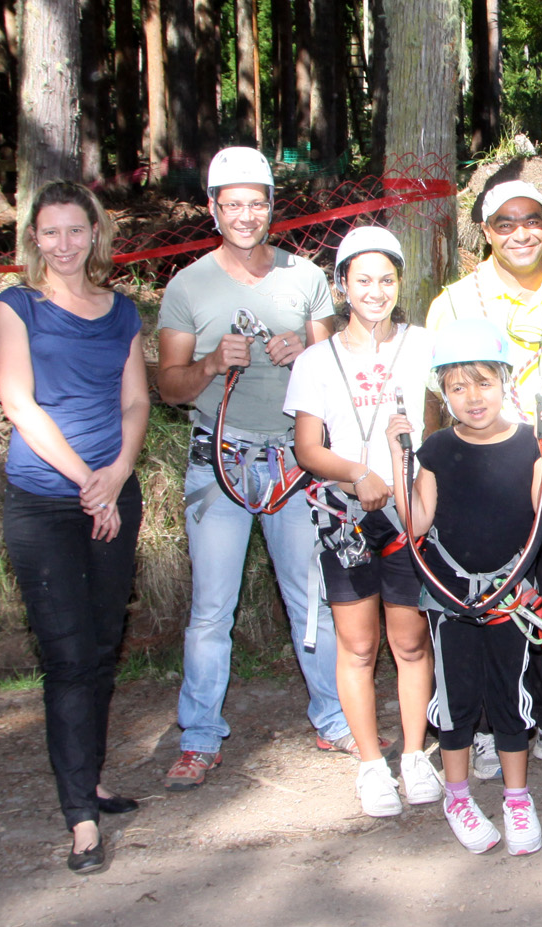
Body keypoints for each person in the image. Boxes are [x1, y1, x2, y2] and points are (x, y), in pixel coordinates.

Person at [157, 147, 357, 791]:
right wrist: (213, 363)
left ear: (273, 206)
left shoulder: (306, 279)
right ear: (213, 209)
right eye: (233, 203)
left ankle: (334, 718)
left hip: (295, 459)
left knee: (315, 603)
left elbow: (340, 366)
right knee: (212, 608)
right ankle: (199, 735)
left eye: (258, 202)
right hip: (220, 459)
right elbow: (170, 387)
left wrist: (308, 347)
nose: (246, 215)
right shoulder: (189, 287)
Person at [426, 169, 542, 776]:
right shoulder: (454, 301)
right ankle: (483, 724)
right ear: (485, 231)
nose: (520, 232)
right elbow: (439, 398)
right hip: (483, 478)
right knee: (481, 605)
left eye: (532, 219)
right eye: (505, 222)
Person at [0, 181, 149, 874]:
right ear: (33, 237)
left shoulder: (121, 311)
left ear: (95, 233)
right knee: (65, 655)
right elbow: (19, 403)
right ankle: (81, 820)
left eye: (74, 230)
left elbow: (137, 401)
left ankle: (89, 774)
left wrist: (115, 476)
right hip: (46, 503)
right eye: (49, 232)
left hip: (113, 495)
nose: (63, 243)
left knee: (102, 642)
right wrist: (89, 482)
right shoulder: (16, 305)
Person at [390, 318, 542, 855]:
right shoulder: (438, 449)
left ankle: (517, 797)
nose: (472, 397)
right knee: (457, 697)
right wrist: (402, 458)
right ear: (443, 395)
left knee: (509, 697)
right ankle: (459, 794)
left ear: (506, 384)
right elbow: (417, 523)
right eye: (457, 386)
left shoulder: (529, 446)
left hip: (509, 596)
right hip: (450, 598)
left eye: (483, 382)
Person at [282, 226, 438, 817]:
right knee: (358, 643)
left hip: (410, 514)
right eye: (362, 280)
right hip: (345, 516)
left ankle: (416, 754)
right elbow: (306, 448)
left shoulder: (424, 344)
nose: (375, 291)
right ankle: (372, 764)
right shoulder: (317, 360)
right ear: (342, 285)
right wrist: (357, 473)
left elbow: (440, 426)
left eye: (387, 279)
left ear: (401, 283)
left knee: (410, 639)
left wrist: (417, 493)